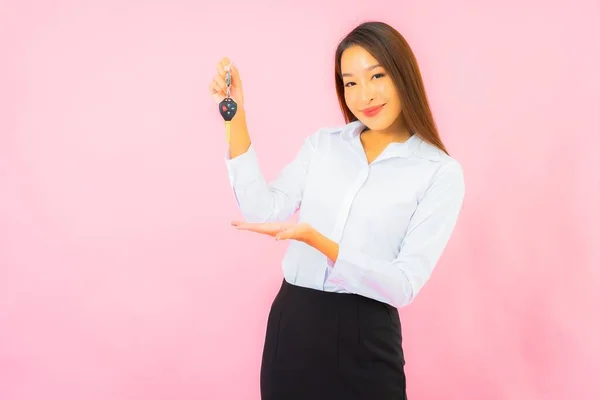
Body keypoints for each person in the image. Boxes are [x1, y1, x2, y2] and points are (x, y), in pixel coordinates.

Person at [209, 21, 465, 400]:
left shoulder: (439, 172)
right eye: (350, 82)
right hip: (293, 322)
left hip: (367, 334)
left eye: (376, 75)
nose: (364, 95)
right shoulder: (323, 146)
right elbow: (264, 210)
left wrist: (323, 244)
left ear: (402, 73)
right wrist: (237, 118)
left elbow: (404, 283)